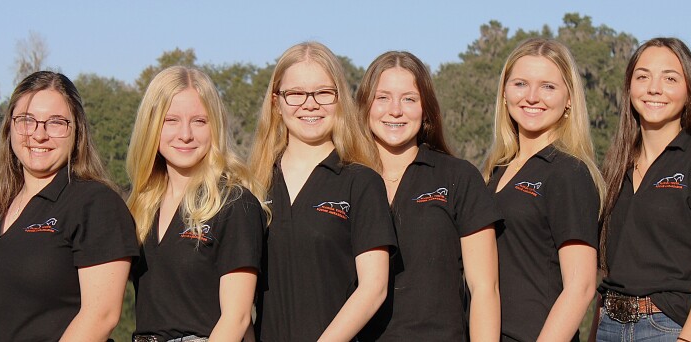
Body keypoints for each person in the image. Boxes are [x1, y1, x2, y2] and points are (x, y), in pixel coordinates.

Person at [0, 71, 138, 341]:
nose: (39, 134)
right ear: (10, 127)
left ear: (76, 131)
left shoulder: (95, 204)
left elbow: (101, 315)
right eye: (26, 120)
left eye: (56, 123)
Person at [596, 38, 691, 342]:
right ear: (629, 89)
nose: (654, 88)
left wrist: (687, 339)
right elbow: (613, 270)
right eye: (643, 76)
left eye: (670, 78)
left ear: (690, 91)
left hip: (669, 328)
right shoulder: (614, 166)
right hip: (608, 326)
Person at [250, 41, 397, 341]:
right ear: (276, 103)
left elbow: (374, 288)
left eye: (323, 92)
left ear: (339, 99)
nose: (310, 104)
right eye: (296, 94)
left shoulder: (361, 182)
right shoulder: (252, 185)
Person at [354, 51, 501, 341]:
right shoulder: (345, 179)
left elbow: (485, 288)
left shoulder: (458, 176)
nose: (395, 110)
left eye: (409, 98)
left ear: (426, 108)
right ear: (365, 105)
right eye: (382, 97)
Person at [126, 66, 268, 342]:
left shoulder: (235, 205)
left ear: (215, 126)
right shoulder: (140, 204)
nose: (185, 134)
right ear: (151, 125)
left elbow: (236, 319)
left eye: (200, 121)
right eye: (171, 120)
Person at [481, 38, 605, 342]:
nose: (532, 97)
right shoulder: (494, 172)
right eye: (521, 84)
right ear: (505, 93)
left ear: (569, 99)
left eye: (548, 86)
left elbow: (581, 287)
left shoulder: (568, 172)